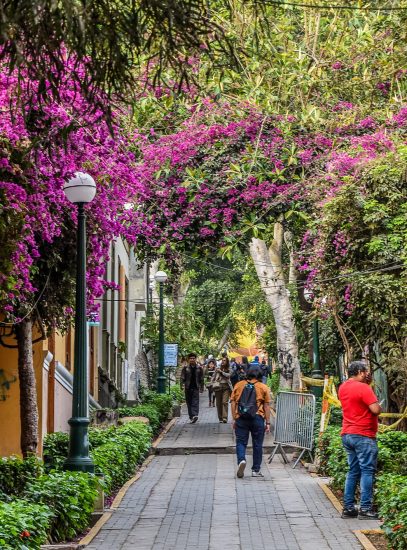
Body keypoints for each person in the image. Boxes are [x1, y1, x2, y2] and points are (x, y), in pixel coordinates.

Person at [338, 361, 381, 519]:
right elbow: (375, 409)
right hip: (363, 435)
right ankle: (365, 508)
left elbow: (356, 403)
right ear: (361, 372)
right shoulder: (363, 388)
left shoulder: (343, 387)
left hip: (347, 434)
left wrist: (367, 385)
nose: (368, 374)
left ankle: (348, 508)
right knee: (367, 471)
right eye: (366, 372)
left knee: (353, 471)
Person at [230, 365, 271, 478]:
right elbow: (267, 405)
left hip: (241, 418)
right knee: (257, 444)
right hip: (257, 417)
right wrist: (268, 423)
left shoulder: (239, 385)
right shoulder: (263, 387)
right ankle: (256, 470)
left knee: (241, 442)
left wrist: (234, 418)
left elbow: (233, 402)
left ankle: (241, 460)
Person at [180, 352, 204, 423]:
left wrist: (202, 387)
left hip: (196, 387)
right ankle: (191, 416)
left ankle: (195, 415)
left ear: (195, 359)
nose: (192, 360)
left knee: (195, 402)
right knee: (189, 403)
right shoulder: (185, 368)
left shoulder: (199, 368)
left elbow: (201, 378)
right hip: (188, 387)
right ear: (188, 359)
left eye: (193, 358)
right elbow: (182, 377)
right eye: (190, 358)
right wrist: (181, 386)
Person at [211, 356, 232, 423]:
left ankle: (225, 418)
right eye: (222, 360)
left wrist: (221, 372)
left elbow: (228, 375)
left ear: (227, 361)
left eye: (224, 360)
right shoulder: (217, 368)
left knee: (224, 402)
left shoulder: (229, 368)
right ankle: (220, 418)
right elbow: (213, 376)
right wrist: (212, 382)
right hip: (218, 387)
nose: (223, 361)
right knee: (218, 403)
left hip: (226, 387)